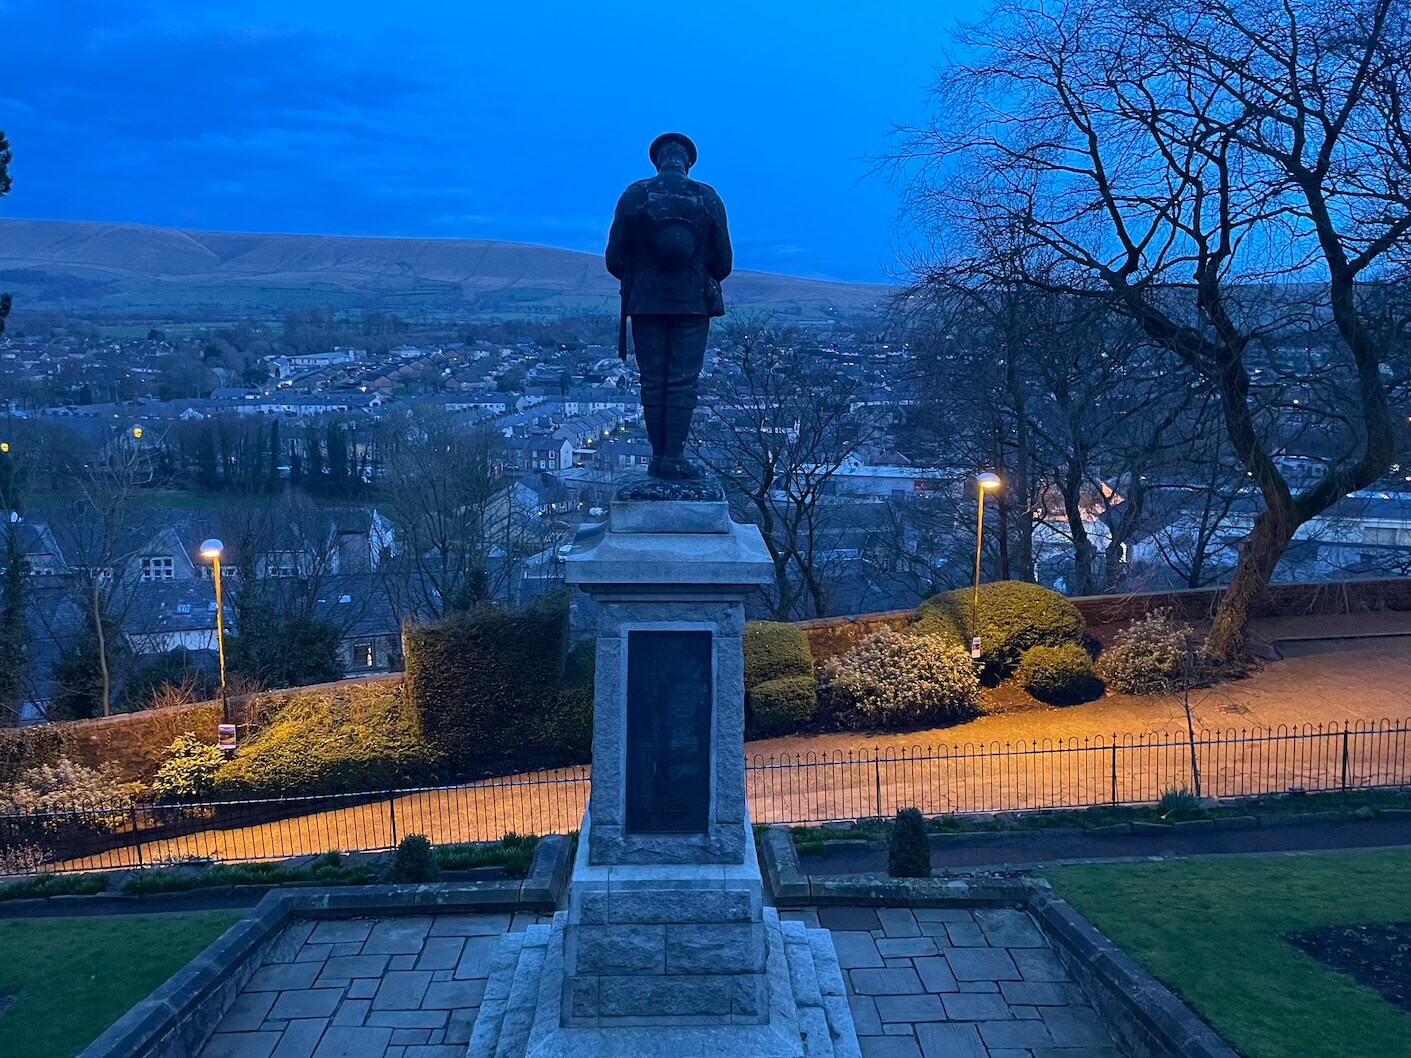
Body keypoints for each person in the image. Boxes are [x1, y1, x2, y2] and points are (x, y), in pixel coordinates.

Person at [605, 132, 733, 480]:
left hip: (646, 299)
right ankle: (673, 457)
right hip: (692, 302)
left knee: (652, 381)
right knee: (681, 381)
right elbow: (722, 264)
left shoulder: (636, 194)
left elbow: (614, 259)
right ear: (688, 162)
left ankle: (659, 458)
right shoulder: (706, 197)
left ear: (657, 160)